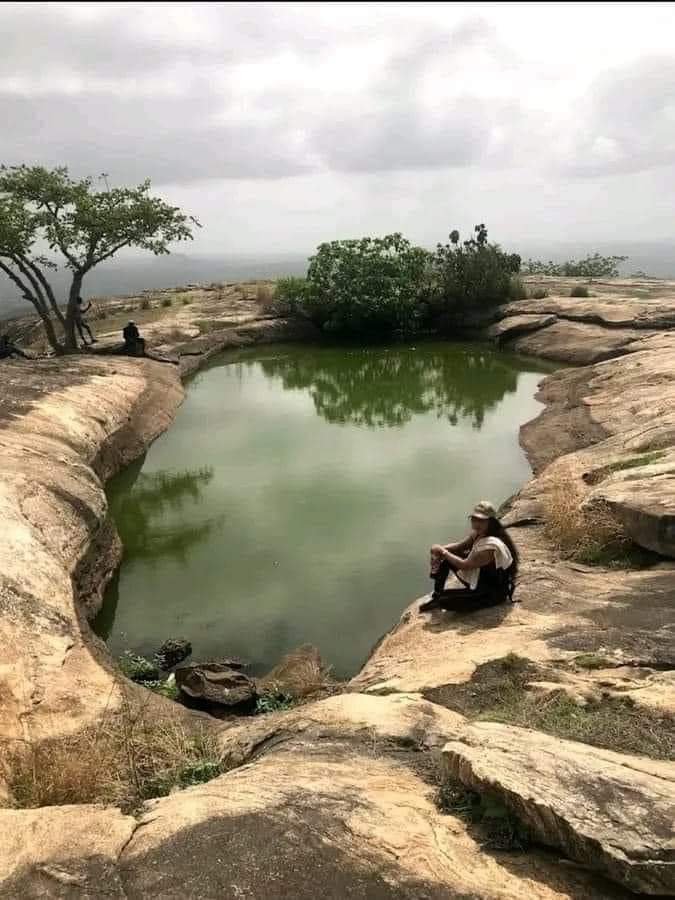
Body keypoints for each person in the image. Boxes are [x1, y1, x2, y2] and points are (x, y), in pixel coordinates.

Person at [420, 500, 519, 613]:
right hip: (481, 579)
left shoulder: (491, 545)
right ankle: (437, 593)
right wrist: (438, 549)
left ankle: (444, 598)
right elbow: (460, 546)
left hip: (491, 592)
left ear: (491, 522)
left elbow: (465, 565)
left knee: (444, 601)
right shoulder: (478, 533)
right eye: (474, 519)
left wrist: (443, 552)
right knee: (445, 562)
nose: (477, 523)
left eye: (481, 520)